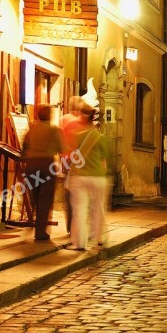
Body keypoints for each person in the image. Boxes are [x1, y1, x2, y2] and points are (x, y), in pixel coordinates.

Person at [66, 106, 108, 251]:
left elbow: (70, 154)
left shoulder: (75, 135)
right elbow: (104, 161)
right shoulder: (100, 137)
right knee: (98, 208)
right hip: (98, 177)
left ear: (83, 116)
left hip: (80, 177)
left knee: (79, 210)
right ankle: (100, 238)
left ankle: (80, 243)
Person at [22, 104, 66, 241]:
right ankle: (40, 232)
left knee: (35, 197)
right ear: (50, 115)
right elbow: (62, 147)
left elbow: (25, 145)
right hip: (46, 165)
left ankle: (35, 223)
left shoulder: (32, 129)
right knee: (45, 199)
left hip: (31, 165)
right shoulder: (54, 130)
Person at [60, 97, 91, 234]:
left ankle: (71, 226)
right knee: (83, 196)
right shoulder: (86, 126)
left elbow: (63, 145)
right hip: (82, 164)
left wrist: (63, 162)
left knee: (70, 195)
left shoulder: (66, 122)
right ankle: (80, 226)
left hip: (69, 162)